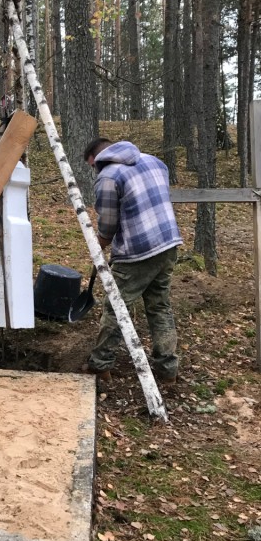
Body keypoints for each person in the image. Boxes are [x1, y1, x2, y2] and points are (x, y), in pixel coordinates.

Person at [82, 138, 182, 384]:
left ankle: (100, 366)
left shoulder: (108, 177)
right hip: (168, 243)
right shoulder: (155, 162)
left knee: (116, 308)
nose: (94, 169)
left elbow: (107, 225)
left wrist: (98, 247)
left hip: (138, 252)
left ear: (96, 159)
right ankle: (168, 370)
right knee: (159, 306)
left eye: (91, 165)